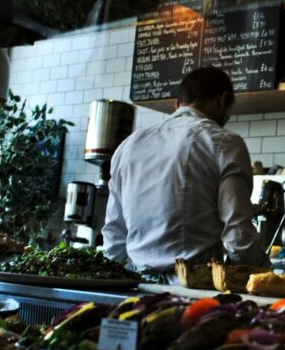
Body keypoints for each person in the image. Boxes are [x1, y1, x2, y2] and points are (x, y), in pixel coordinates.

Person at [103, 66, 270, 283]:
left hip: (137, 287)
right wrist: (261, 273)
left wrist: (112, 283)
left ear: (177, 104)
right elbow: (238, 234)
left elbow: (114, 232)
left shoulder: (129, 145)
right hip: (194, 289)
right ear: (223, 100)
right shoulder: (225, 142)